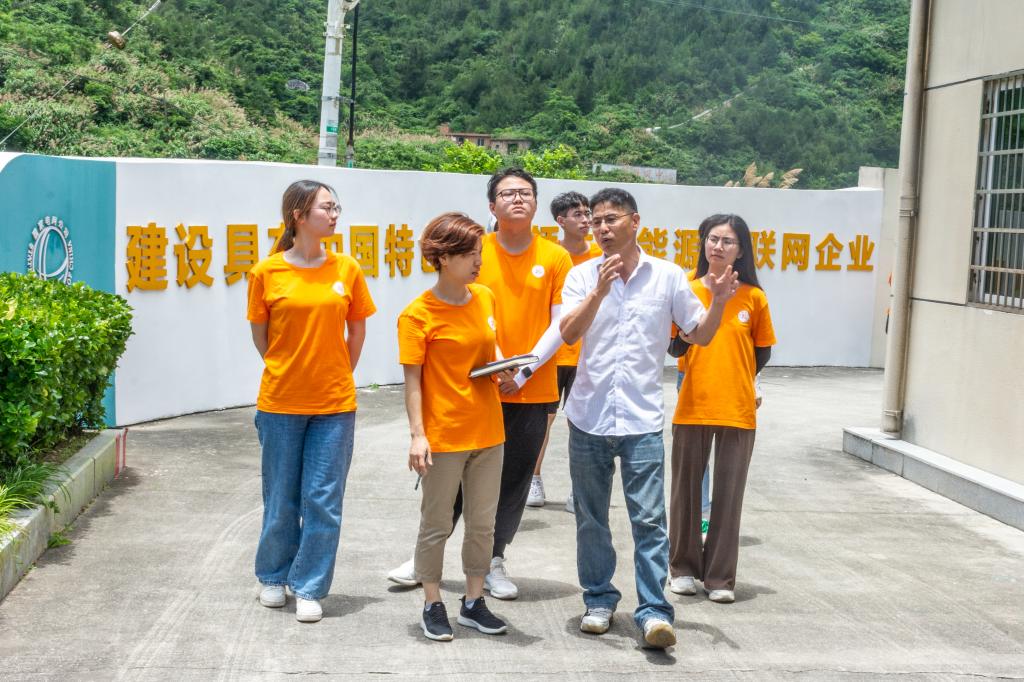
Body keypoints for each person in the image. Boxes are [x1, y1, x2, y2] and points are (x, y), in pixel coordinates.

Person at [559, 188, 737, 649]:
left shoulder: (668, 276)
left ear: (635, 222)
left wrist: (719, 301)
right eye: (596, 220)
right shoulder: (581, 276)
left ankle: (654, 612)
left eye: (611, 219)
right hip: (588, 418)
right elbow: (569, 333)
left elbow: (699, 335)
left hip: (641, 421)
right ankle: (599, 600)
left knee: (650, 521)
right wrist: (599, 290)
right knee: (591, 519)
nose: (602, 228)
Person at [388, 169, 572, 600]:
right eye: (508, 193)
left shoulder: (555, 257)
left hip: (531, 387)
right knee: (450, 483)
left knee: (512, 484)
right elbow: (476, 323)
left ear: (537, 202)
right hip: (477, 389)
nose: (518, 199)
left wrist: (522, 371)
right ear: (492, 205)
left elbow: (560, 322)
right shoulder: (475, 249)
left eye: (526, 192)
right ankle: (426, 559)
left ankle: (493, 560)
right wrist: (500, 366)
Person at [247, 179, 376, 623]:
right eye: (326, 208)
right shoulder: (266, 272)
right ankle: (272, 576)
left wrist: (337, 371)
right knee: (281, 496)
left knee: (323, 499)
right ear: (298, 215)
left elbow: (357, 330)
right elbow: (262, 336)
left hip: (334, 405)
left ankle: (309, 585)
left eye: (337, 207)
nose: (335, 215)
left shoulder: (346, 269)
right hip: (280, 402)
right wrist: (289, 368)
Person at [398, 212, 511, 641]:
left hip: (489, 431)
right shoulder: (417, 315)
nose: (479, 262)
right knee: (436, 523)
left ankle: (473, 601)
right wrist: (418, 435)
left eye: (480, 253)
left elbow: (488, 352)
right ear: (443, 257)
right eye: (470, 254)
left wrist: (503, 369)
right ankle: (432, 602)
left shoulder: (484, 297)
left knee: (483, 523)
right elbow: (413, 382)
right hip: (444, 435)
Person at [667, 213, 776, 604]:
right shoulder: (685, 288)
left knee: (729, 496)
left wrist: (741, 377)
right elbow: (674, 346)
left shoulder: (754, 297)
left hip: (737, 408)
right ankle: (682, 569)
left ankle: (719, 578)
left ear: (741, 250)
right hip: (693, 403)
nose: (718, 246)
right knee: (685, 492)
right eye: (713, 239)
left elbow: (762, 351)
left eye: (728, 241)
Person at [527, 191, 602, 512]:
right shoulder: (551, 256)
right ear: (560, 221)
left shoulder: (602, 255)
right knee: (542, 422)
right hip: (554, 355)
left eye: (588, 214)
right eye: (578, 215)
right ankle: (533, 479)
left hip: (589, 355)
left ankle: (579, 489)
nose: (586, 220)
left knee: (582, 425)